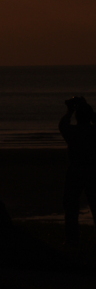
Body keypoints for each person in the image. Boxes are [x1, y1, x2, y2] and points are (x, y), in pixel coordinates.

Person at [59, 96, 96, 247]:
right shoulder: (94, 132)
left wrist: (70, 110)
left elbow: (62, 124)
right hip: (93, 171)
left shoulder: (72, 132)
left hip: (75, 171)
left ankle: (72, 240)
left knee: (71, 208)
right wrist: (89, 110)